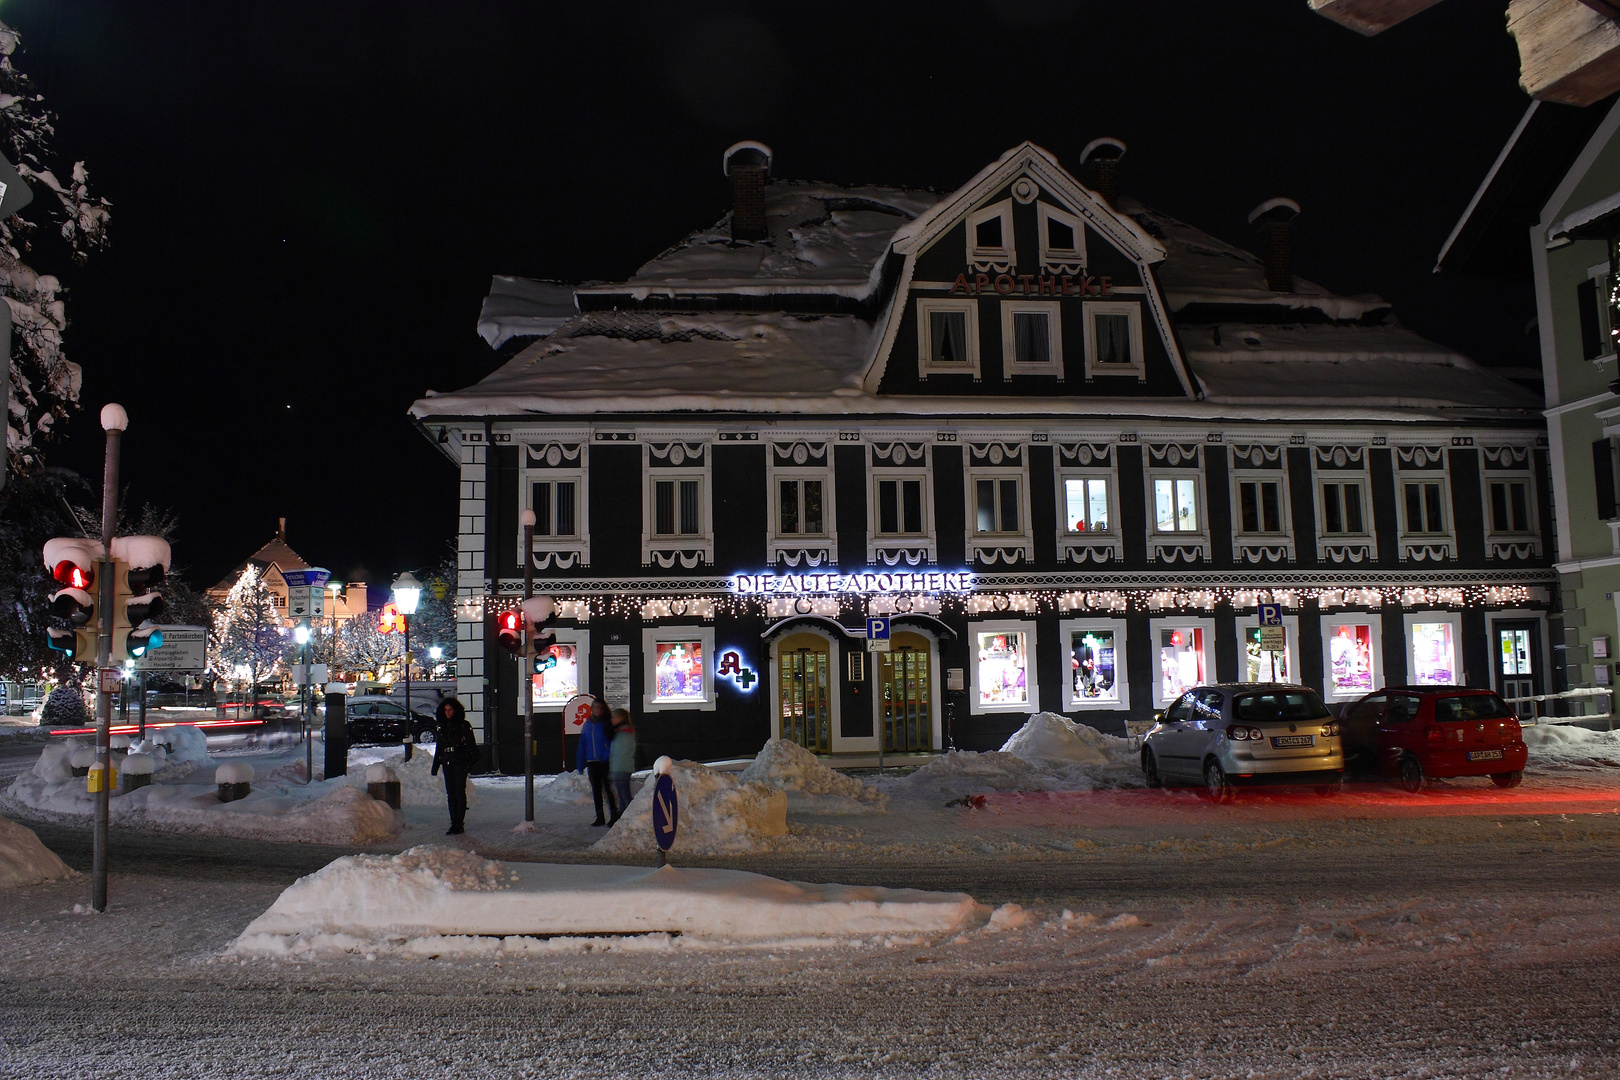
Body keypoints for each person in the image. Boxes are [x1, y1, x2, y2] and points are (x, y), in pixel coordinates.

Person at [429, 697, 478, 835]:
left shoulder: (463, 726)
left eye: (450, 710)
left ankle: (459, 823)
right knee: (451, 794)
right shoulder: (442, 727)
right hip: (447, 763)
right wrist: (435, 766)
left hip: (459, 763)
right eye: (445, 710)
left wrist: (467, 764)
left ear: (456, 710)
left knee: (459, 793)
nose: (448, 713)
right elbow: (439, 747)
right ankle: (453, 823)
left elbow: (471, 747)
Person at [576, 698, 616, 826]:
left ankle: (614, 814)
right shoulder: (587, 725)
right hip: (592, 761)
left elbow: (612, 743)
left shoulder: (606, 724)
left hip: (604, 761)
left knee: (607, 789)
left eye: (599, 707)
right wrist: (580, 763)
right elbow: (583, 744)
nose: (596, 710)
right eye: (594, 707)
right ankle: (600, 816)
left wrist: (606, 756)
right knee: (596, 790)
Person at [608, 707, 636, 825]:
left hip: (622, 768)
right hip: (620, 768)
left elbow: (620, 753)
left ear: (621, 718)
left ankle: (629, 815)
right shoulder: (622, 732)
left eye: (614, 717)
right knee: (622, 793)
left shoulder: (623, 734)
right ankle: (624, 814)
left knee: (624, 794)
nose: (611, 720)